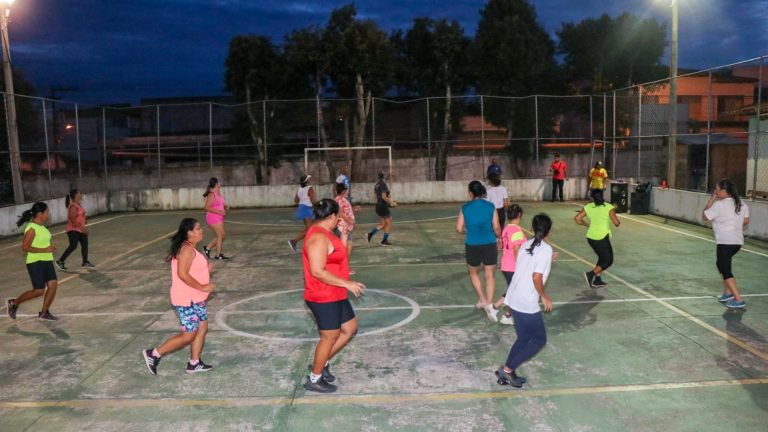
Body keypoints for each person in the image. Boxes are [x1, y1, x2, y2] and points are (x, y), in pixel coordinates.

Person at [303, 199, 366, 393]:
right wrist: (346, 283)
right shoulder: (318, 238)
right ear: (330, 216)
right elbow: (317, 271)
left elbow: (339, 257)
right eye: (337, 216)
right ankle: (314, 378)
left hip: (335, 291)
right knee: (329, 337)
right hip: (322, 295)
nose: (339, 219)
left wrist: (344, 236)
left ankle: (323, 362)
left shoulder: (328, 233)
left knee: (349, 328)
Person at [143, 218, 216, 375]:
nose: (201, 230)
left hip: (196, 298)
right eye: (198, 229)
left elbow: (190, 270)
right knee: (188, 335)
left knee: (202, 327)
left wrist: (205, 270)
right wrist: (203, 286)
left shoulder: (191, 248)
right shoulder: (186, 250)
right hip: (186, 300)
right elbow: (182, 274)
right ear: (190, 233)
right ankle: (154, 354)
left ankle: (194, 363)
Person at [495, 213, 554, 388]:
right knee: (538, 340)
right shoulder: (546, 249)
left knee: (523, 337)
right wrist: (544, 296)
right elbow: (536, 276)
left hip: (513, 296)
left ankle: (506, 371)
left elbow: (529, 262)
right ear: (548, 231)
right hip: (526, 301)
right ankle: (507, 369)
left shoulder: (526, 244)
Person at [456, 180, 501, 322]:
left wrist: (469, 232)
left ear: (470, 193)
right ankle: (489, 303)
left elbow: (459, 228)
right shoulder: (490, 206)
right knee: (490, 275)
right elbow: (497, 227)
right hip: (489, 243)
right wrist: (499, 236)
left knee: (473, 272)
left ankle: (482, 299)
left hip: (472, 244)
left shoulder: (465, 208)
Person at [6, 202, 59, 321]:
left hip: (46, 260)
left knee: (53, 285)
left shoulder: (42, 227)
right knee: (39, 290)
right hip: (35, 262)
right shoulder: (31, 228)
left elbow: (41, 242)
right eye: (47, 212)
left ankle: (44, 312)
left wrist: (49, 248)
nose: (48, 214)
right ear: (40, 213)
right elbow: (25, 247)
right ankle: (14, 302)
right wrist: (44, 249)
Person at [703, 179, 750, 309]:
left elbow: (705, 217)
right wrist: (733, 224)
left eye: (717, 190)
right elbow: (746, 221)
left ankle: (738, 299)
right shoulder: (741, 204)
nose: (716, 192)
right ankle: (728, 292)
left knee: (725, 269)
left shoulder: (719, 205)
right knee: (722, 264)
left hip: (725, 242)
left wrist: (712, 200)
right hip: (737, 242)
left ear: (724, 191)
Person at [574, 190, 620, 288]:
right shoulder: (608, 207)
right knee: (608, 261)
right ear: (602, 196)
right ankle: (590, 274)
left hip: (591, 237)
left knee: (601, 257)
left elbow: (577, 219)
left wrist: (587, 224)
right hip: (602, 238)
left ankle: (597, 280)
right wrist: (614, 210)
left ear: (593, 198)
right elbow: (616, 223)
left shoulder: (589, 207)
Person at [492, 204, 527, 325]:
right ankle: (503, 313)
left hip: (505, 264)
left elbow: (503, 245)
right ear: (519, 215)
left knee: (513, 290)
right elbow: (516, 249)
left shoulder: (506, 228)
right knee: (517, 291)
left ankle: (500, 310)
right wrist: (520, 265)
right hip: (513, 265)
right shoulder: (517, 230)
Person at [56, 189, 95, 270]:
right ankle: (60, 261)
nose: (81, 194)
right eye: (79, 193)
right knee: (73, 245)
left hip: (80, 229)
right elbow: (72, 218)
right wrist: (81, 227)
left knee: (85, 245)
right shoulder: (73, 205)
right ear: (75, 195)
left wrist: (84, 220)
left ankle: (85, 262)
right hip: (73, 229)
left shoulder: (78, 205)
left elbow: (79, 216)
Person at [334, 183, 360, 274]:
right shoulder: (340, 200)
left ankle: (343, 267)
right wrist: (350, 221)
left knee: (347, 247)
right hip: (342, 227)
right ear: (344, 190)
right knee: (345, 248)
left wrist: (353, 210)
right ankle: (343, 268)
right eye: (347, 189)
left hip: (345, 227)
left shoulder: (342, 199)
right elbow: (340, 213)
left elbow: (346, 211)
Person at [203, 177, 230, 260]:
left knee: (223, 236)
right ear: (216, 184)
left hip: (219, 217)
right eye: (219, 182)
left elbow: (219, 203)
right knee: (220, 236)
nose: (220, 183)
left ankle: (208, 248)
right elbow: (206, 207)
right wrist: (219, 212)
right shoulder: (211, 194)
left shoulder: (218, 193)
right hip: (212, 217)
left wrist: (225, 206)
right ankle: (218, 255)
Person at [289, 174, 316, 252]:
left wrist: (303, 198)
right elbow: (313, 200)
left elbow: (296, 200)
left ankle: (304, 243)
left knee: (310, 228)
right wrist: (319, 204)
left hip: (301, 208)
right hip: (307, 209)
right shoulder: (310, 188)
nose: (309, 180)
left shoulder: (299, 189)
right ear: (307, 181)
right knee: (310, 229)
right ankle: (294, 241)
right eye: (308, 179)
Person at [367, 171, 394, 246]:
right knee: (389, 222)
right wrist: (391, 203)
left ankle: (370, 234)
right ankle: (384, 240)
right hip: (382, 205)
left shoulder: (377, 184)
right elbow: (384, 197)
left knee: (383, 223)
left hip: (378, 205)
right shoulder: (383, 184)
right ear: (384, 176)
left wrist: (388, 200)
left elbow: (377, 196)